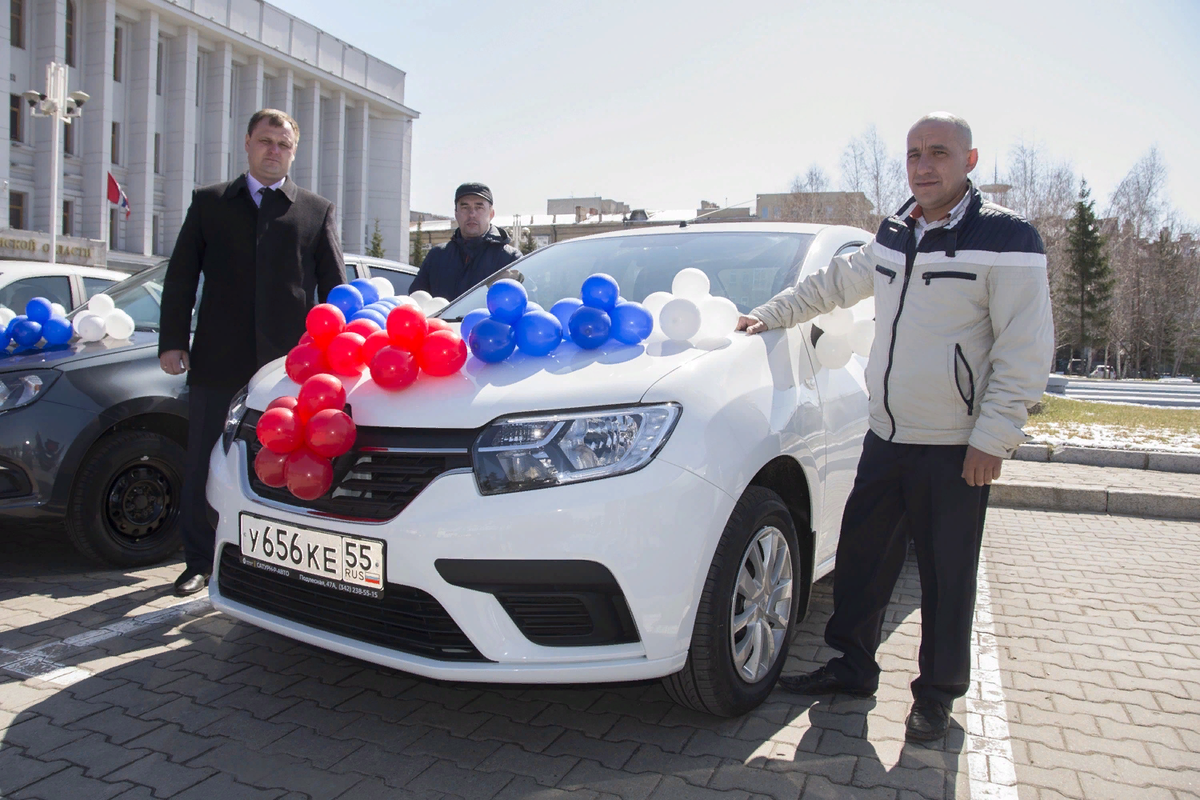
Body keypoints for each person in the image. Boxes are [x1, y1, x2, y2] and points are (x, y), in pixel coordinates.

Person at [737, 112, 1053, 742]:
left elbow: (1025, 348)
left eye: (938, 153)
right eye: (913, 154)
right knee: (860, 561)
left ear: (970, 161)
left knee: (946, 575)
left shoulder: (1008, 238)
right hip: (886, 437)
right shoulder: (896, 230)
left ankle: (936, 695)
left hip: (956, 444)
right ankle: (852, 668)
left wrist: (993, 438)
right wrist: (766, 315)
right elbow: (835, 283)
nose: (923, 165)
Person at [159, 108, 345, 597]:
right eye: (266, 141)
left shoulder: (314, 210)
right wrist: (172, 339)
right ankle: (198, 561)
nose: (273, 151)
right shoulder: (210, 202)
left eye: (283, 144)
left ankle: (279, 563)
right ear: (247, 143)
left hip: (288, 369)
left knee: (281, 464)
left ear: (293, 151)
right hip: (219, 359)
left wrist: (343, 352)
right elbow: (180, 276)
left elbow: (338, 289)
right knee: (203, 459)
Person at [409, 183, 521, 300]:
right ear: (456, 214)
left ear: (491, 213)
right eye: (465, 207)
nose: (472, 214)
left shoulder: (509, 259)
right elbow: (416, 301)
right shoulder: (437, 257)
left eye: (479, 207)